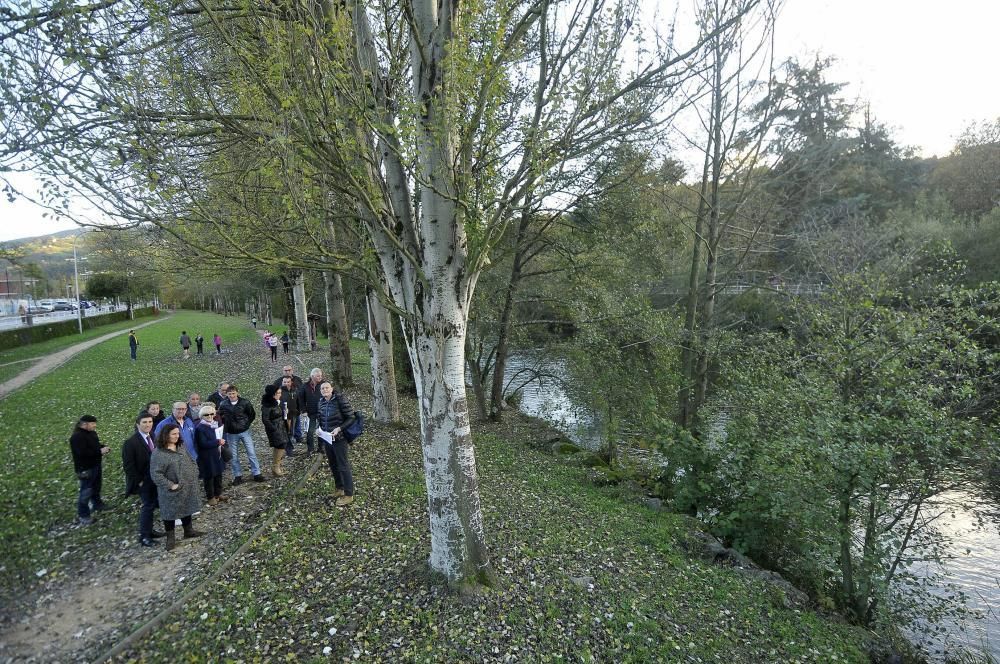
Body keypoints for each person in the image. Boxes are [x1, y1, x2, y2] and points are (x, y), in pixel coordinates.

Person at [150, 423, 204, 551]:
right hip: (171, 489)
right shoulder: (158, 453)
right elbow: (156, 474)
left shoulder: (180, 445)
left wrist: (195, 471)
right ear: (165, 435)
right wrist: (170, 485)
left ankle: (188, 531)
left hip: (188, 484)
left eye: (178, 433)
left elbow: (190, 459)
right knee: (169, 513)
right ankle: (170, 538)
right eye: (173, 434)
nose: (176, 436)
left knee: (187, 506)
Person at [122, 412, 165, 546]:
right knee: (148, 506)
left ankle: (149, 530)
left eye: (150, 422)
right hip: (143, 481)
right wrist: (139, 481)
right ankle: (144, 536)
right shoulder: (131, 443)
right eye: (144, 422)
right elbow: (129, 466)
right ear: (138, 424)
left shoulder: (152, 436)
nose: (148, 425)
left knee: (152, 505)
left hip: (154, 477)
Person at [316, 381, 357, 506]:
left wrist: (339, 428)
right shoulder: (321, 402)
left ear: (332, 388)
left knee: (343, 466)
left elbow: (351, 417)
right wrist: (319, 429)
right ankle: (339, 489)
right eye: (322, 388)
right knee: (333, 465)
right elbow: (320, 418)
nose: (324, 390)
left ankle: (349, 494)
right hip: (327, 439)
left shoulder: (340, 400)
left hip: (339, 438)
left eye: (327, 388)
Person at [218, 384, 265, 484]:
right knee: (234, 456)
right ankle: (237, 475)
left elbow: (252, 414)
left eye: (233, 393)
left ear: (237, 393)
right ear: (227, 394)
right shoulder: (223, 404)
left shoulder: (245, 402)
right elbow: (220, 417)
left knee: (251, 453)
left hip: (244, 431)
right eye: (230, 394)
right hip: (231, 433)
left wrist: (246, 424)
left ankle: (257, 473)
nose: (232, 395)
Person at [70, 415, 110, 525]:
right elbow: (82, 453)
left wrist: (103, 446)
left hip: (95, 465)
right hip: (85, 469)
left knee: (96, 486)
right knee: (86, 492)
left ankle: (97, 504)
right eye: (92, 423)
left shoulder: (91, 433)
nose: (95, 425)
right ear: (84, 424)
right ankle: (83, 515)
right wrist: (100, 451)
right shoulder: (77, 437)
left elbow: (94, 446)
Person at [194, 405, 227, 505]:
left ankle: (218, 493)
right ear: (201, 416)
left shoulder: (215, 424)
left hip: (217, 453)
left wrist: (222, 440)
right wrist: (217, 442)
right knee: (209, 476)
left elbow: (222, 434)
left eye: (212, 414)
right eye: (206, 414)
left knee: (218, 474)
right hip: (207, 456)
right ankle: (210, 496)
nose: (209, 416)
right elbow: (203, 443)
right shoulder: (200, 428)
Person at [261, 385, 289, 477]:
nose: (280, 395)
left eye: (280, 393)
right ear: (272, 394)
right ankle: (276, 467)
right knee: (280, 445)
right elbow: (265, 419)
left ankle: (277, 466)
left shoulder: (276, 402)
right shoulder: (267, 405)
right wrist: (274, 429)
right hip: (274, 429)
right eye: (278, 393)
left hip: (281, 427)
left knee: (280, 446)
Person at [297, 368, 324, 455]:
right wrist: (303, 410)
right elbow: (301, 399)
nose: (320, 377)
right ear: (312, 376)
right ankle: (310, 449)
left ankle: (321, 448)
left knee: (321, 430)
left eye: (320, 375)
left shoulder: (324, 385)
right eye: (318, 376)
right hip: (310, 412)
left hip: (322, 412)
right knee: (310, 431)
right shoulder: (305, 386)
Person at [279, 375, 301, 456]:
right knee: (286, 432)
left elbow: (298, 401)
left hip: (293, 414)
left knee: (291, 431)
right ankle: (289, 449)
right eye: (284, 382)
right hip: (283, 416)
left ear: (291, 382)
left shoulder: (294, 390)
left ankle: (288, 447)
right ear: (282, 382)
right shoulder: (279, 391)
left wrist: (298, 410)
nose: (286, 383)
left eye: (288, 382)